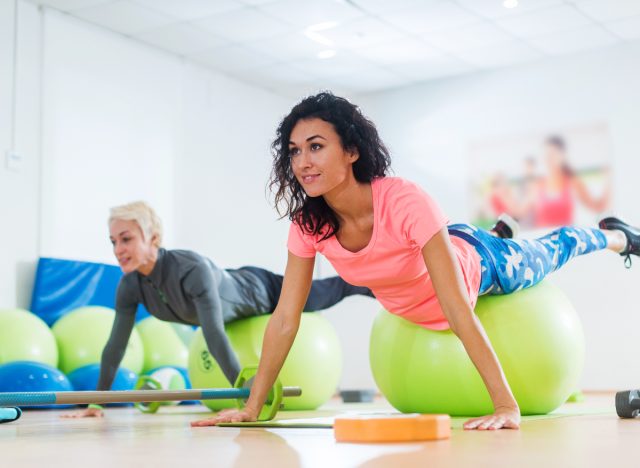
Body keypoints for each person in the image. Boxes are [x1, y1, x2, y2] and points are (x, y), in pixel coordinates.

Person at [192, 92, 639, 430]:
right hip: (436, 250)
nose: (302, 162)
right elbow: (286, 317)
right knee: (458, 240)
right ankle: (501, 229)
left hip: (482, 264)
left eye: (315, 146)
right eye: (293, 151)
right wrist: (252, 405)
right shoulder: (309, 225)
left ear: (351, 152)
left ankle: (614, 236)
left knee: (551, 249)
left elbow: (457, 309)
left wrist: (506, 405)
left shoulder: (403, 201)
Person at [65, 201, 374, 418]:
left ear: (154, 238)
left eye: (126, 239)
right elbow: (116, 344)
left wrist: (248, 399)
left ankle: (377, 283)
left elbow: (213, 333)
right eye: (113, 241)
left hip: (261, 290)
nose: (118, 249)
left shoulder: (190, 268)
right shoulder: (130, 285)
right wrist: (98, 403)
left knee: (331, 291)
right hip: (232, 287)